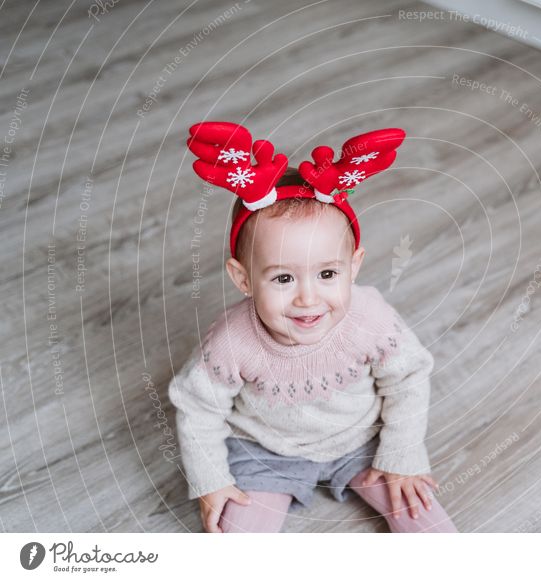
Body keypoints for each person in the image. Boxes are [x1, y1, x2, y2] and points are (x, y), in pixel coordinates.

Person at [168, 122, 458, 533]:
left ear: (353, 265)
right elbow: (197, 407)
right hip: (264, 449)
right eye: (283, 279)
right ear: (243, 278)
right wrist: (211, 479)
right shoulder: (231, 341)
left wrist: (402, 454)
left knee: (429, 525)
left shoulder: (370, 318)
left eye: (326, 273)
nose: (308, 298)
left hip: (361, 439)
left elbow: (408, 377)